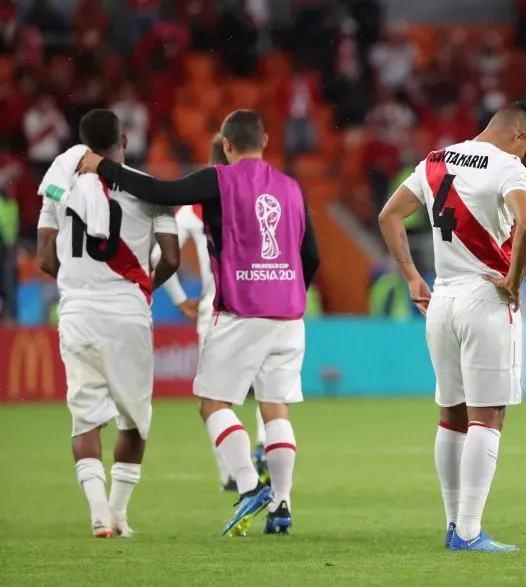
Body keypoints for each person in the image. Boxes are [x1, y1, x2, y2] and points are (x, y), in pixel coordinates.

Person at [78, 110, 321, 537]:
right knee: (275, 408)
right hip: (290, 315)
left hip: (242, 310)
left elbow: (159, 191)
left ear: (226, 145)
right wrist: (287, 288)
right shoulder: (292, 187)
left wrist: (107, 168)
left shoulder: (219, 180)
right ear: (264, 140)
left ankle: (249, 486)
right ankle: (282, 507)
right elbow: (312, 256)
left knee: (212, 403)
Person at [377, 102, 526, 552]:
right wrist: (515, 280)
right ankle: (468, 532)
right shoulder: (509, 167)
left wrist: (412, 275)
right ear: (519, 138)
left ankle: (454, 524)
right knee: (487, 415)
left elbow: (389, 215)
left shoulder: (435, 160)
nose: (524, 160)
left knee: (451, 414)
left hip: (441, 299)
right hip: (484, 299)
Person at [37, 109, 180, 537]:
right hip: (127, 312)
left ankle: (98, 512)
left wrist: (80, 281)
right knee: (133, 419)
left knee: (85, 419)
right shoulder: (147, 189)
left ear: (82, 143)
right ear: (122, 139)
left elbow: (45, 257)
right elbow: (171, 258)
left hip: (77, 311)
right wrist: (144, 288)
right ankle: (118, 513)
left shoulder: (59, 189)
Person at [157, 133, 270, 493]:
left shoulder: (194, 207)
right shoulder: (264, 196)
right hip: (263, 303)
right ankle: (266, 443)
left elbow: (162, 257)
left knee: (213, 396)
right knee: (267, 384)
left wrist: (177, 298)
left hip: (217, 307)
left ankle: (230, 475)